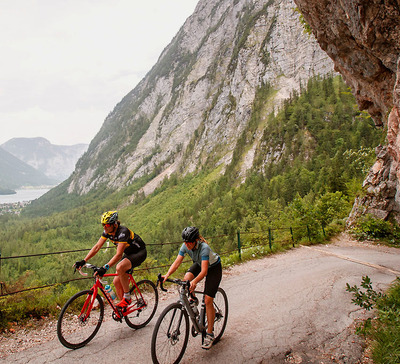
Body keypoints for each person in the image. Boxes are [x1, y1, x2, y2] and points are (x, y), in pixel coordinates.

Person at [163, 226, 222, 350]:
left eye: (189, 242)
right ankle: (193, 300)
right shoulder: (185, 246)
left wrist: (195, 282)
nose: (187, 244)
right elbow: (177, 262)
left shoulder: (204, 248)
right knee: (186, 279)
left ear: (195, 240)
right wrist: (167, 274)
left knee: (208, 300)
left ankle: (210, 334)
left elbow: (205, 271)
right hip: (200, 263)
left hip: (213, 269)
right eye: (185, 242)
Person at [74, 211, 147, 309]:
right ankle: (124, 309)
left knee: (120, 267)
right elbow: (97, 247)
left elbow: (118, 255)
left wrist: (104, 268)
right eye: (103, 225)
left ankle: (127, 298)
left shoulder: (123, 232)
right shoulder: (107, 232)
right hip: (129, 254)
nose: (105, 227)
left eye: (107, 225)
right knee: (116, 282)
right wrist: (84, 260)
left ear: (114, 224)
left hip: (139, 253)